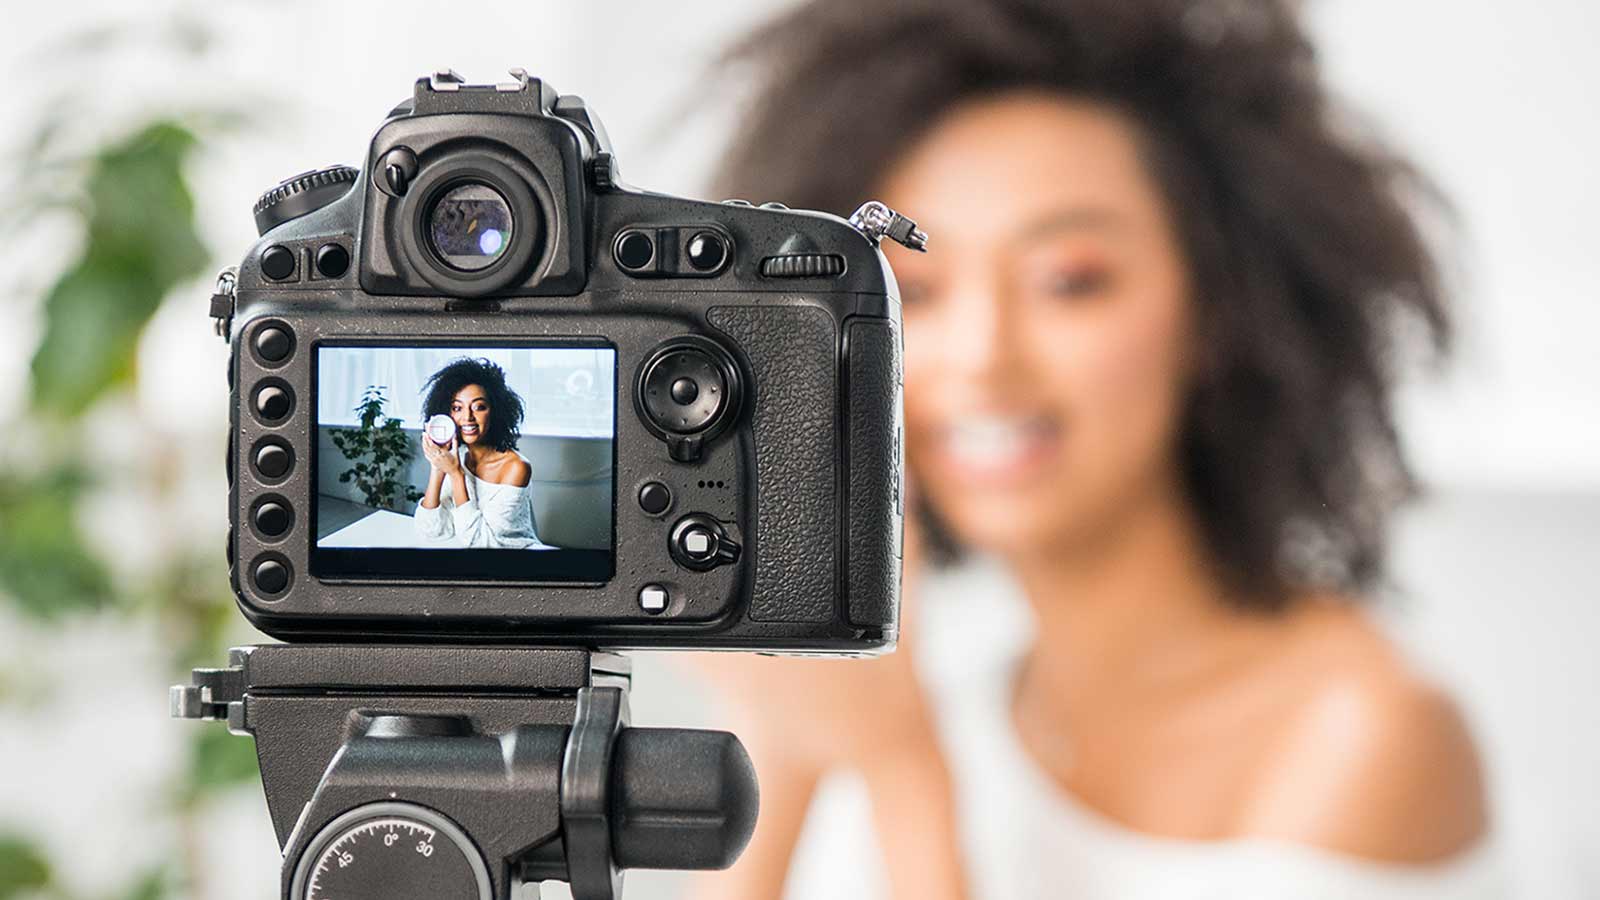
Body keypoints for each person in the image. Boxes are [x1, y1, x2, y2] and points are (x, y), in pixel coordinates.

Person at [690, 0, 1501, 897]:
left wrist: (903, 778)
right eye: (915, 291)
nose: (983, 355)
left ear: (1220, 313)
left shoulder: (1367, 736)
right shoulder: (958, 698)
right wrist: (785, 749)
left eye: (1068, 281)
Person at [414, 357, 544, 548]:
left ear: (496, 411)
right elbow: (430, 530)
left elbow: (482, 543)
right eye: (457, 408)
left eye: (479, 407)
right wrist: (437, 468)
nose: (467, 417)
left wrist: (456, 475)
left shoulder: (516, 467)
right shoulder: (456, 458)